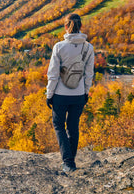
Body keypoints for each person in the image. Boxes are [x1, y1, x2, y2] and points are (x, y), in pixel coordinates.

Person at [46, 13, 94, 172]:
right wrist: (86, 92)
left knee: (59, 125)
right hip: (79, 94)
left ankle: (67, 162)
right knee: (73, 126)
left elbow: (53, 74)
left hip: (60, 94)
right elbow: (89, 74)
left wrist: (49, 94)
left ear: (66, 27)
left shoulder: (59, 47)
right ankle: (70, 162)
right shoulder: (88, 47)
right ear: (81, 27)